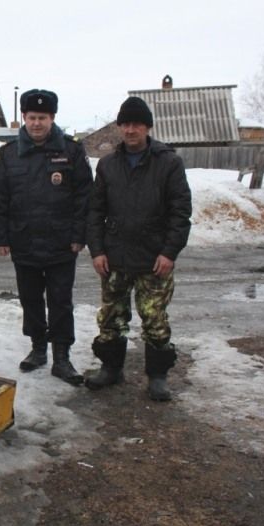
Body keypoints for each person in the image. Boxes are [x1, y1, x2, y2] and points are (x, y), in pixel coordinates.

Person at [85, 96, 192, 401]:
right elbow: (95, 212)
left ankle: (157, 376)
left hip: (153, 258)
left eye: (137, 124)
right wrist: (98, 251)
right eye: (126, 124)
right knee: (111, 318)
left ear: (147, 127)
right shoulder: (108, 165)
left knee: (154, 318)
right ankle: (111, 368)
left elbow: (180, 213)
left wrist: (169, 252)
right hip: (114, 257)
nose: (131, 130)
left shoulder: (168, 163)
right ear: (119, 127)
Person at [0, 89, 93, 385]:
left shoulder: (72, 151)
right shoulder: (9, 154)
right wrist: (1, 237)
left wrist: (79, 235)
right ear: (23, 118)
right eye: (32, 117)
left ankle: (62, 357)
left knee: (61, 301)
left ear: (53, 118)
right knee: (31, 299)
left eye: (43, 118)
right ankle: (38, 349)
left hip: (62, 242)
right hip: (24, 240)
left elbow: (84, 197)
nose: (37, 123)